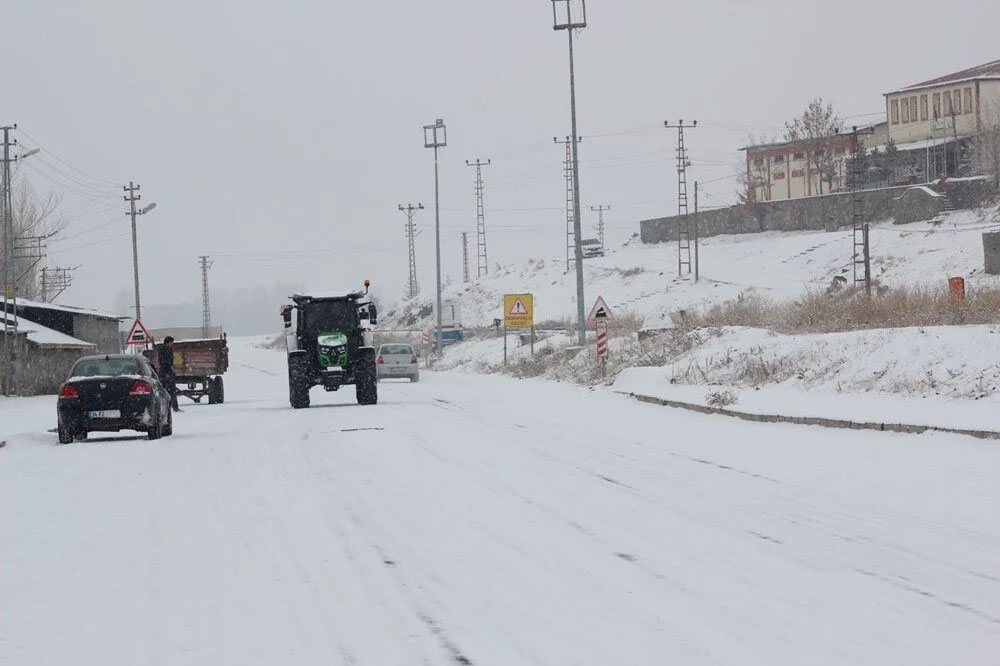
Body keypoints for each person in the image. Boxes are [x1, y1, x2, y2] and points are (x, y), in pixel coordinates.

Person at [158, 336, 181, 412]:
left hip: (168, 373)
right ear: (167, 342)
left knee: (170, 391)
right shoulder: (163, 350)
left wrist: (172, 367)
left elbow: (169, 361)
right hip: (165, 373)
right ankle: (168, 408)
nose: (172, 344)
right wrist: (170, 366)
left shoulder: (169, 350)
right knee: (168, 391)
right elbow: (163, 361)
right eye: (171, 342)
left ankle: (173, 408)